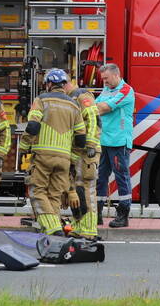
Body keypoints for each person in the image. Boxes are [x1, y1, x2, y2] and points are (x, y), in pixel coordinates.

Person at [21, 69, 86, 236]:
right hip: (64, 159)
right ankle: (53, 231)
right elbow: (81, 137)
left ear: (49, 84)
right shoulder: (74, 105)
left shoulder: (41, 99)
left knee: (37, 192)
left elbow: (33, 125)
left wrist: (24, 146)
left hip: (43, 155)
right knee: (55, 196)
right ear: (64, 85)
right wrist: (72, 158)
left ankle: (53, 229)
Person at [95, 63, 135, 228]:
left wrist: (92, 108)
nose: (103, 81)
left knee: (121, 178)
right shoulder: (107, 90)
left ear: (116, 75)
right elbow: (95, 105)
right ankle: (97, 212)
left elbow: (103, 107)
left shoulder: (126, 90)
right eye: (102, 78)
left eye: (106, 78)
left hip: (119, 141)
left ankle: (123, 215)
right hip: (104, 140)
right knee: (100, 178)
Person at [63, 76, 100, 237]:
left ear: (65, 84)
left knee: (87, 189)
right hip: (78, 151)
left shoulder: (81, 95)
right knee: (77, 190)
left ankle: (89, 229)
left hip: (87, 152)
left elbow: (93, 118)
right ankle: (79, 226)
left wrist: (91, 144)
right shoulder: (71, 98)